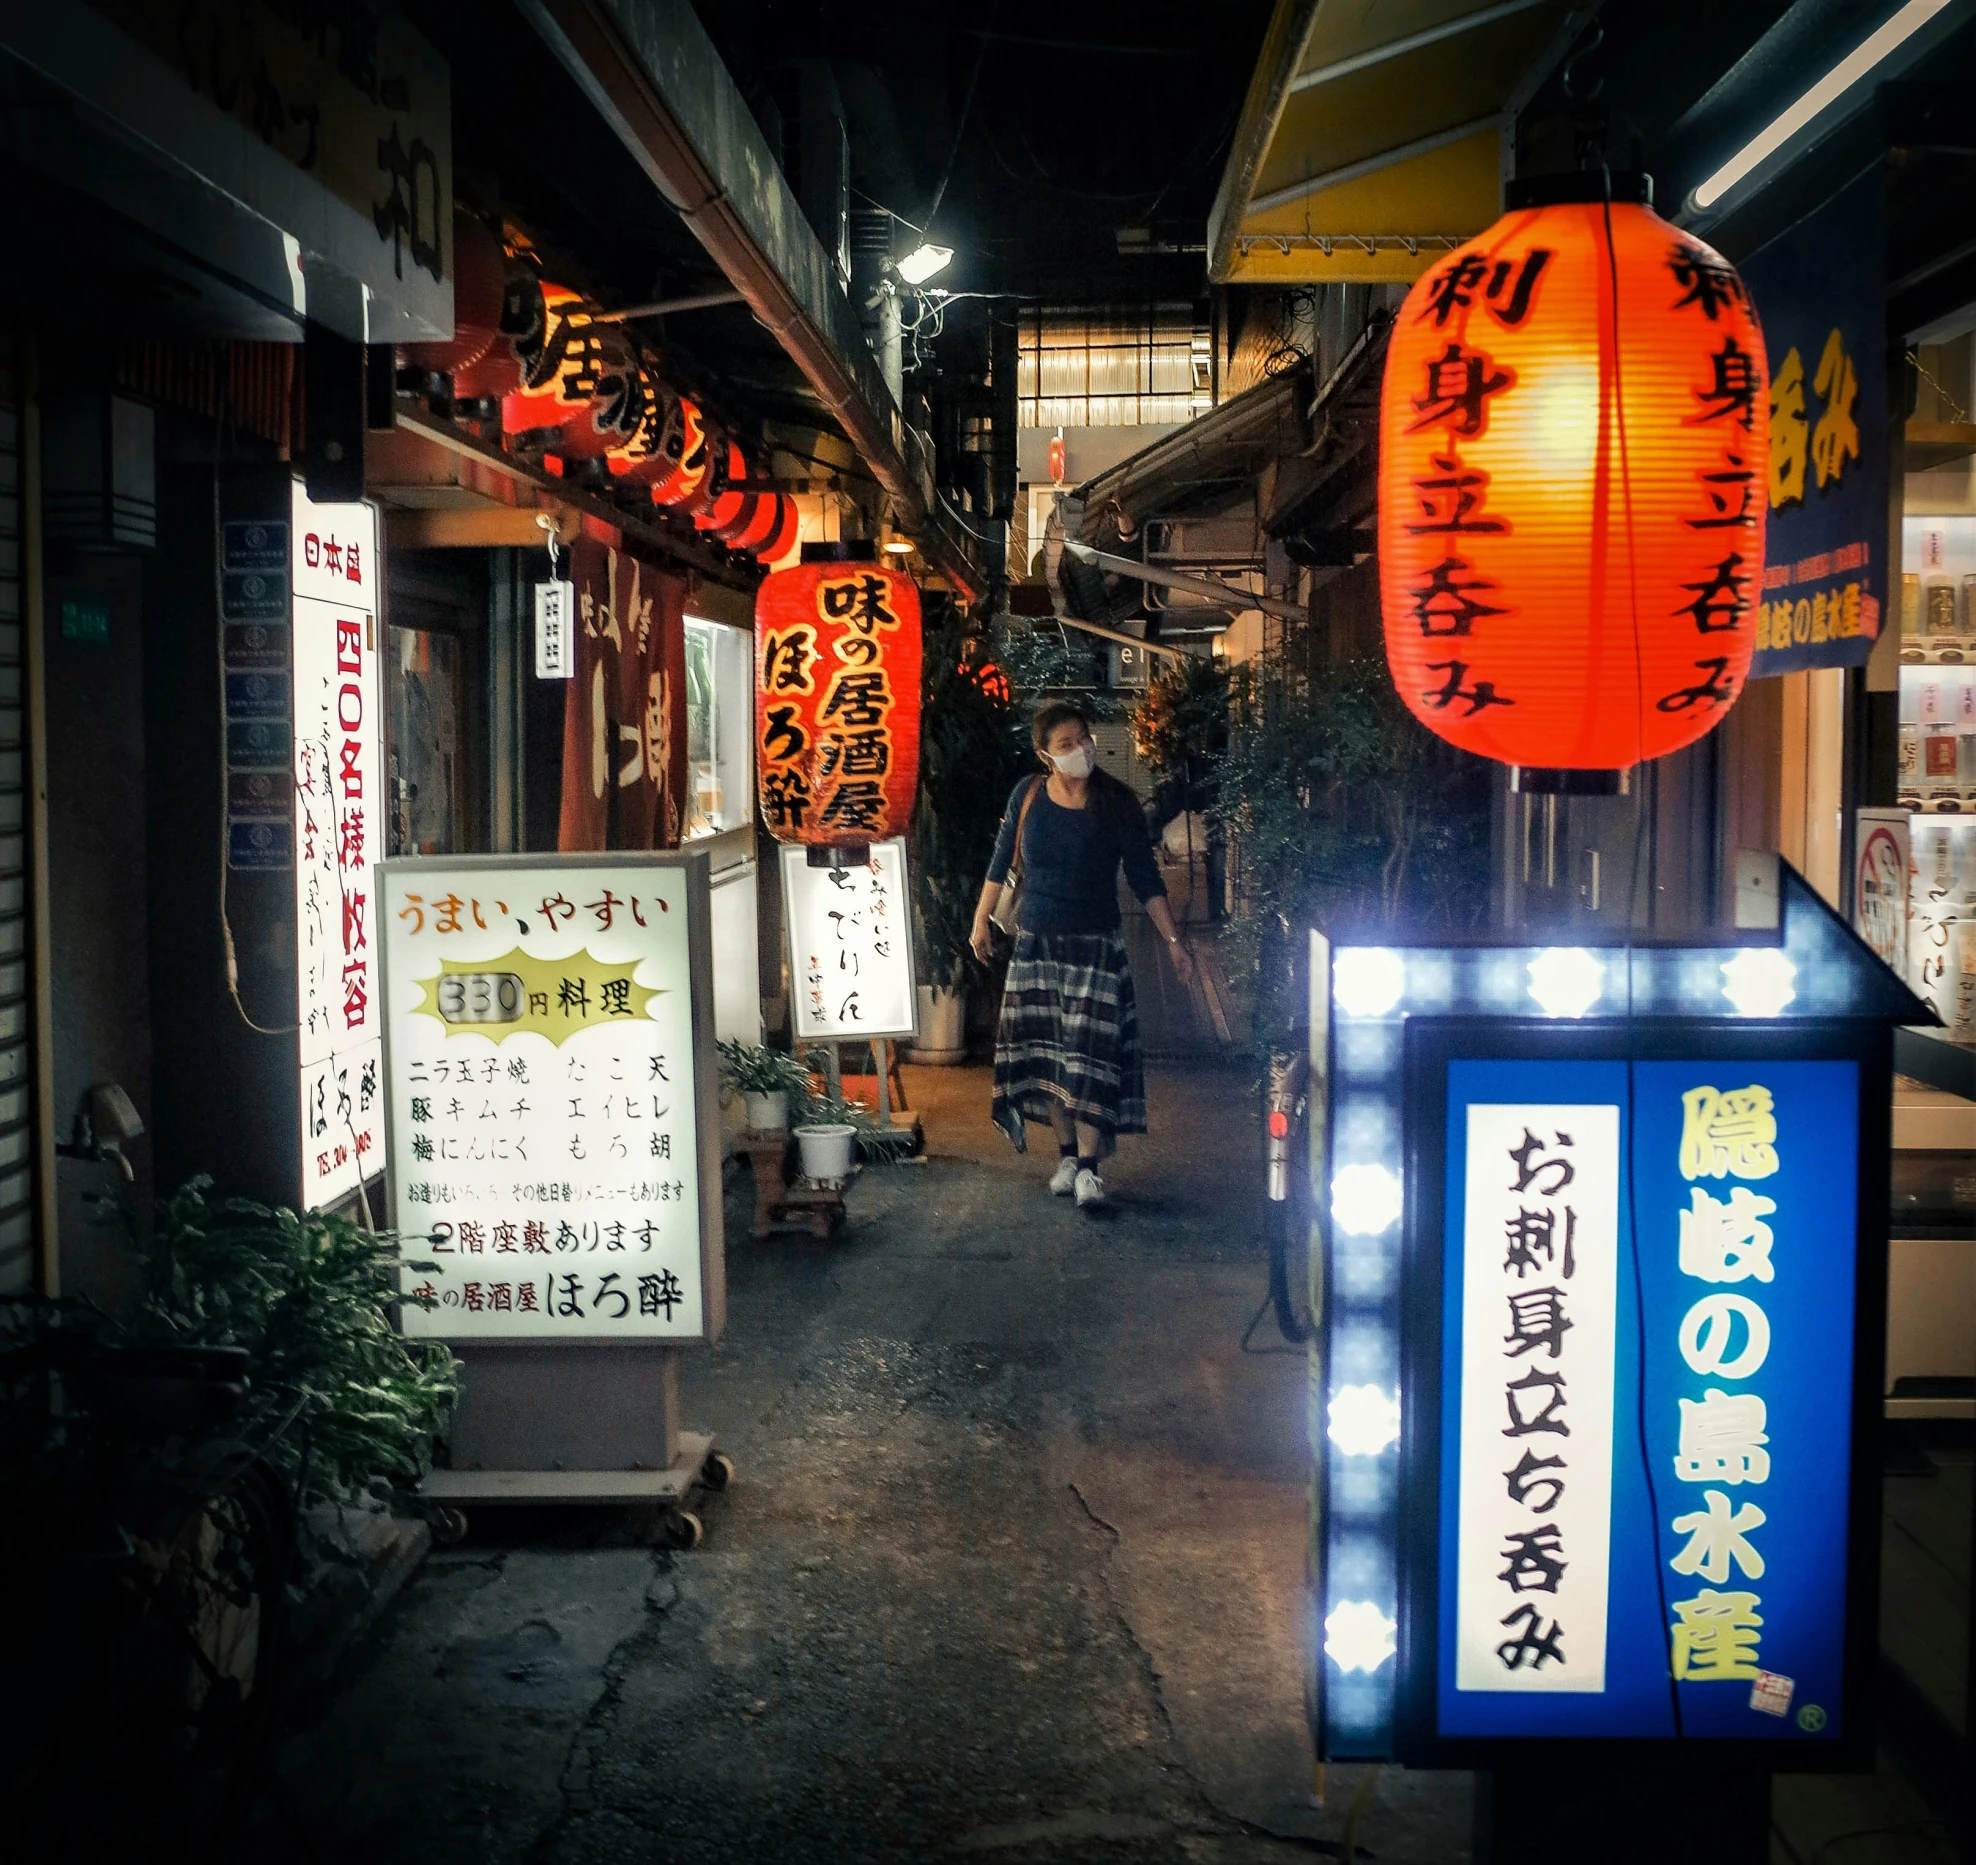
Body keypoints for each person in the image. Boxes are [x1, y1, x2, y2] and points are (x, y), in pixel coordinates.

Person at [970, 701, 1195, 1210]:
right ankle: (1068, 1156)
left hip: (1096, 947)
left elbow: (1145, 878)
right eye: (1065, 745)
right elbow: (1001, 859)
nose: (1080, 751)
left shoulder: (1116, 802)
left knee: (1091, 1059)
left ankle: (1091, 1169)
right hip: (1037, 945)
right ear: (1044, 754)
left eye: (1083, 739)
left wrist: (1175, 944)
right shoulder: (1027, 795)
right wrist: (979, 919)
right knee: (1051, 1057)